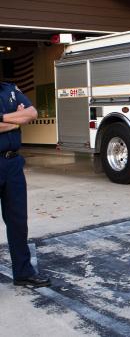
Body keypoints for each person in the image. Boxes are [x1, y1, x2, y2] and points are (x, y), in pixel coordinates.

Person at [0, 81, 50, 288]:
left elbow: (32, 113)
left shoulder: (9, 89)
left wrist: (3, 119)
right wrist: (16, 120)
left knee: (18, 221)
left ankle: (23, 273)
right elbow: (23, 118)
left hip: (13, 164)